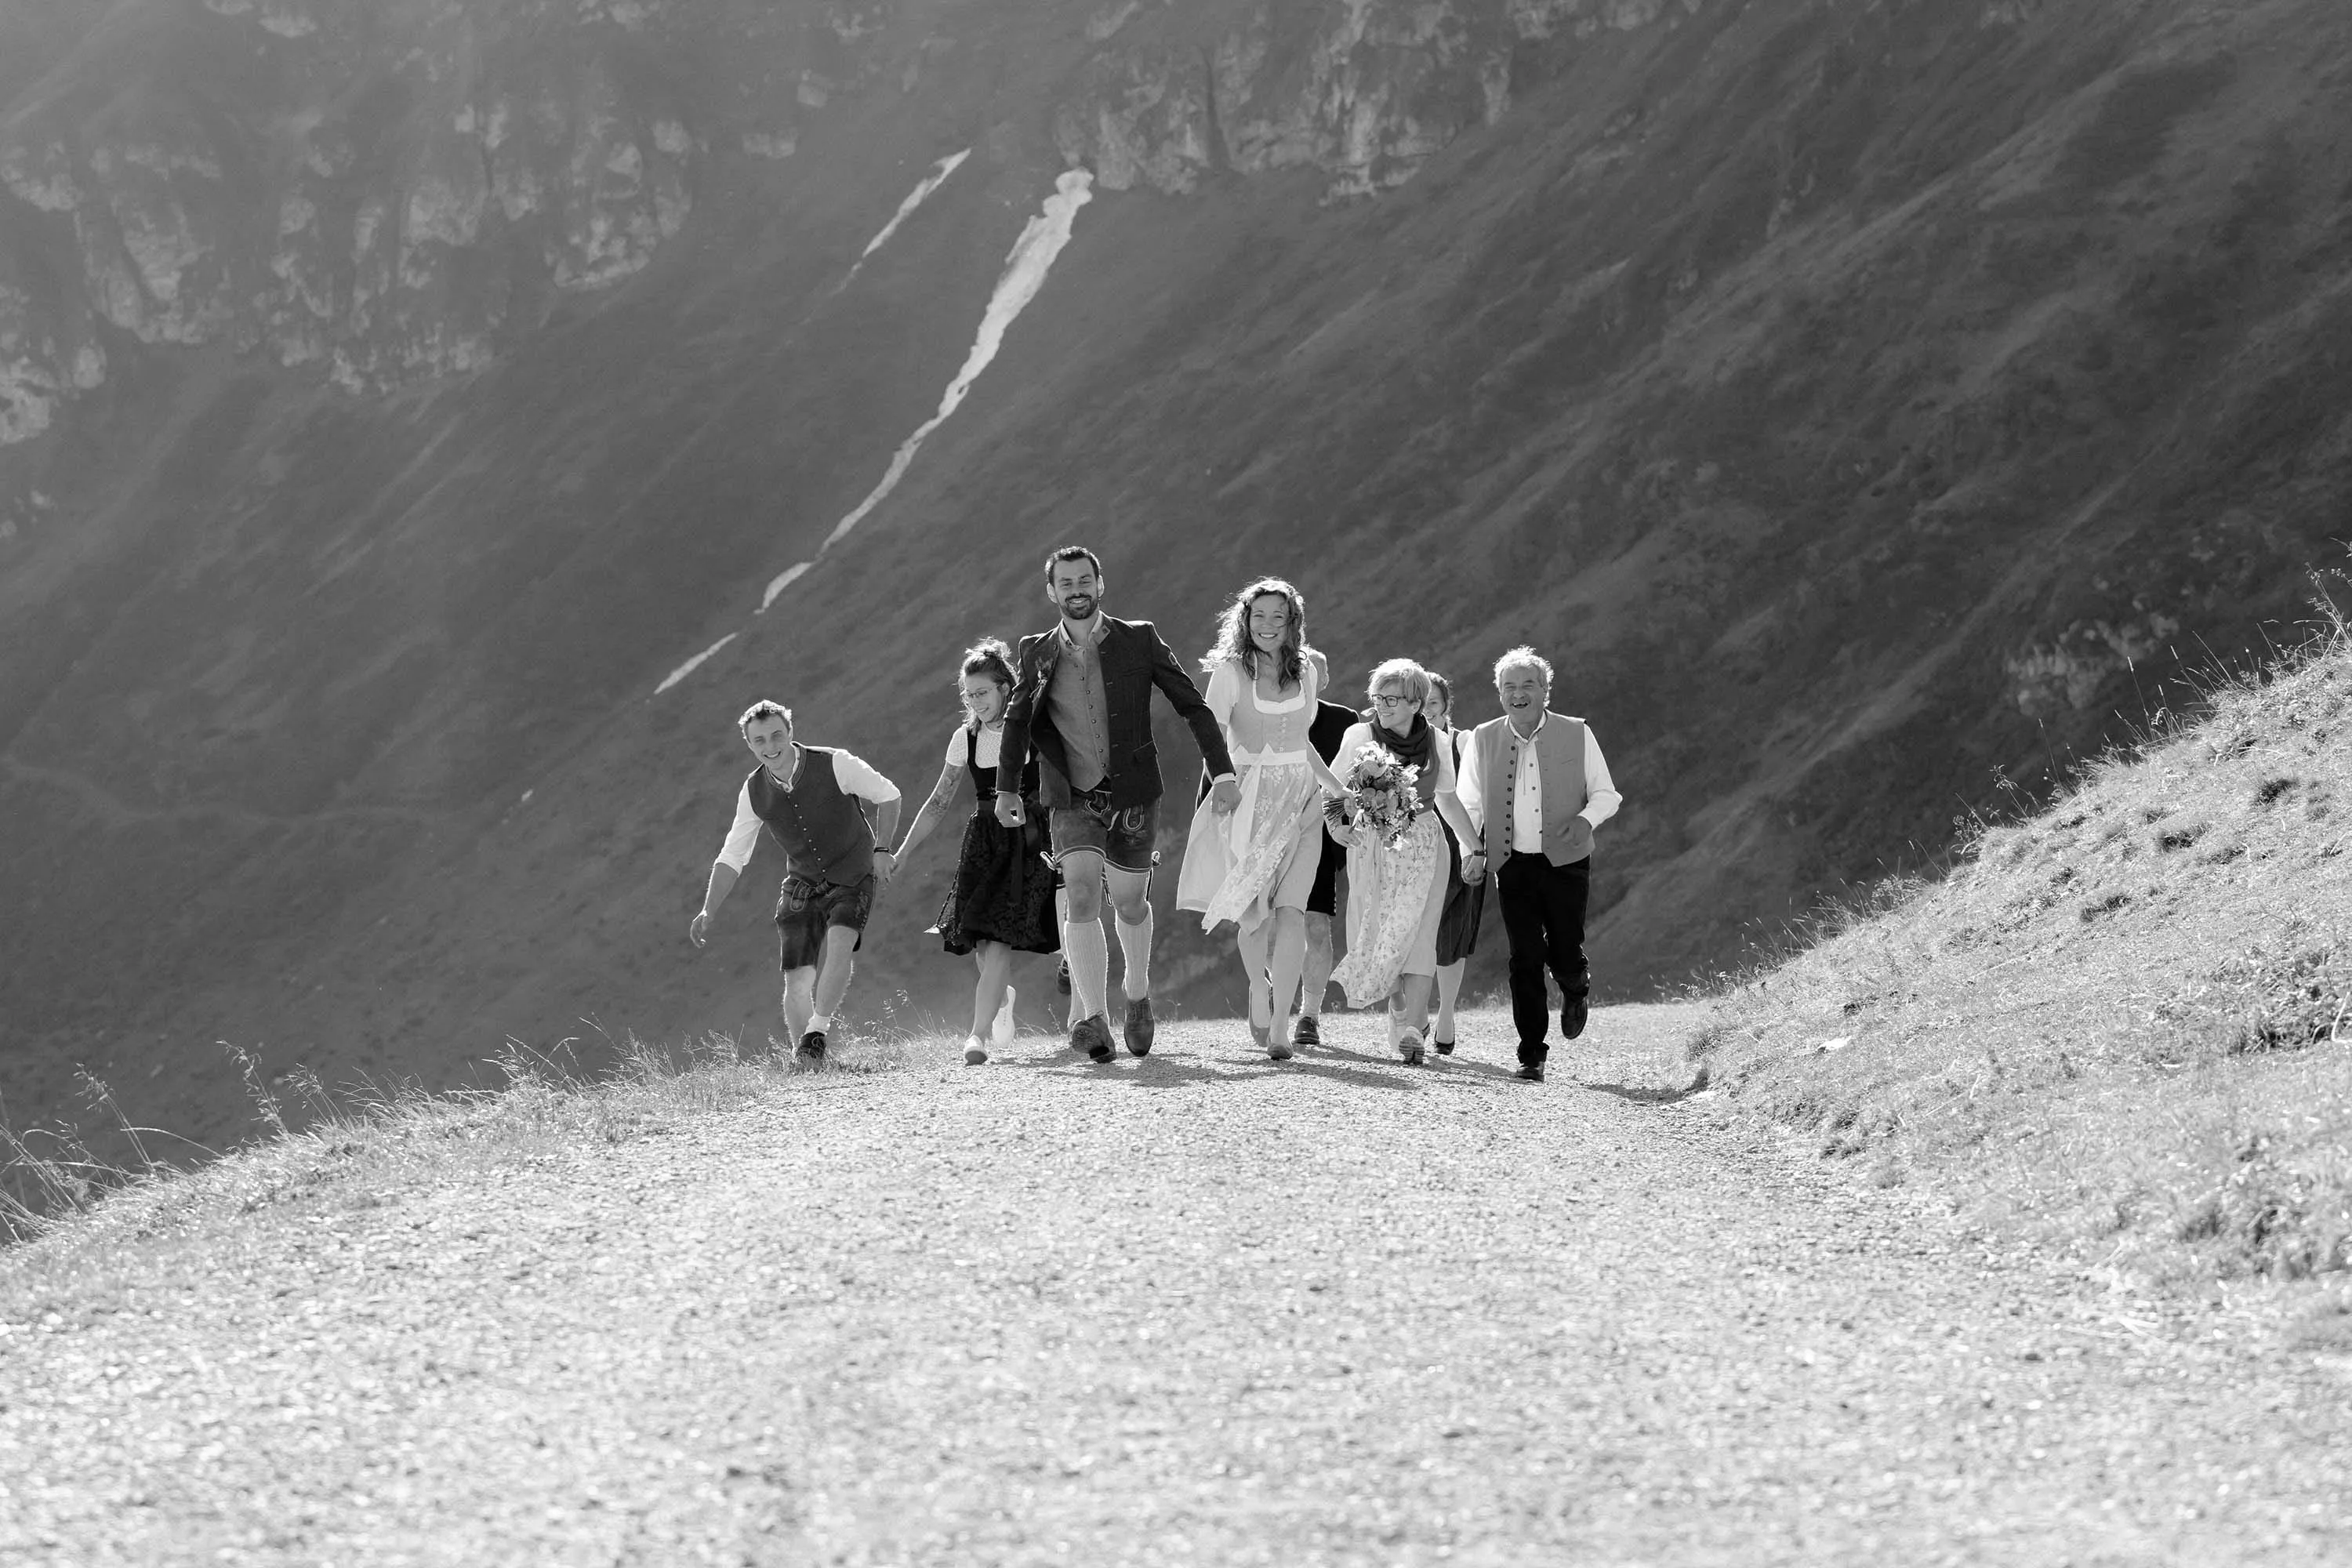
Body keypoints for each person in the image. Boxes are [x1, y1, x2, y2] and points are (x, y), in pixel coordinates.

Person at [996, 546, 1240, 1062]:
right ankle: (1094, 1018)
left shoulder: (1139, 639)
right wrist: (1007, 788)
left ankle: (1136, 993)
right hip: (1070, 795)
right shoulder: (1036, 652)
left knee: (1130, 904)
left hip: (1134, 793)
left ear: (1100, 584)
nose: (1077, 590)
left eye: (1085, 580)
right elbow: (1017, 720)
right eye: (1066, 583)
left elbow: (1192, 705)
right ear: (1052, 592)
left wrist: (1221, 771)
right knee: (1082, 896)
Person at [1174, 579, 1346, 1059]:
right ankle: (1258, 985)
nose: (1269, 626)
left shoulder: (1306, 670)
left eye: (1279, 617)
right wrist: (1223, 780)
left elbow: (1302, 744)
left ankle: (1281, 1029)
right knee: (1255, 914)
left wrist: (1338, 790)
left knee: (1293, 911)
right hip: (1249, 798)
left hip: (1302, 802)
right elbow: (1210, 734)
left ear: (1293, 624)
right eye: (1260, 616)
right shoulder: (1230, 672)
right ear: (1245, 621)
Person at [691, 699, 902, 1067]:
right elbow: (733, 855)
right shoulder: (753, 791)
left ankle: (816, 1032)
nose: (770, 747)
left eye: (777, 735)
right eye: (759, 741)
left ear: (790, 732)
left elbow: (889, 795)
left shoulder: (836, 763)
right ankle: (807, 1062)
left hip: (852, 873)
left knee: (840, 946)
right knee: (797, 980)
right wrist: (709, 909)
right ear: (749, 745)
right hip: (802, 883)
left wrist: (882, 849)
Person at [1455, 645, 1622, 1083]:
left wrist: (1585, 821)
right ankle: (1532, 1053)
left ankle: (1575, 984)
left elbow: (1607, 795)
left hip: (1568, 861)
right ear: (1499, 693)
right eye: (1509, 686)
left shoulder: (1577, 733)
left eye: (1528, 685)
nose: (1518, 694)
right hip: (1511, 864)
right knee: (1525, 956)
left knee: (1565, 949)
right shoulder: (1483, 738)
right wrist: (1472, 851)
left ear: (1546, 690)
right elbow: (1469, 803)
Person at [890, 640, 1059, 1065]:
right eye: (968, 695)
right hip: (984, 845)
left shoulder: (1034, 728)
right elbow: (938, 802)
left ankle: (976, 1036)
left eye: (982, 692)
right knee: (984, 947)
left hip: (1031, 839)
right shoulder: (964, 738)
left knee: (998, 943)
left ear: (1005, 687)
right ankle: (1000, 1000)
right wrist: (904, 852)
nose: (975, 702)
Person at [1324, 659, 1481, 1065]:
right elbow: (1332, 788)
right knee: (1379, 931)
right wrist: (1336, 826)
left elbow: (1447, 799)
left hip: (1426, 844)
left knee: (1421, 932)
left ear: (1416, 703)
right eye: (1377, 697)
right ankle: (1397, 1005)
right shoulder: (1360, 735)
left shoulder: (1438, 742)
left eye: (1391, 699)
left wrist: (1474, 848)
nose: (1381, 705)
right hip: (1373, 847)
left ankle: (1414, 1026)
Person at [1293, 675, 1359, 1049]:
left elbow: (1353, 779)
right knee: (1266, 927)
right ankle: (1276, 980)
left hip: (1320, 837)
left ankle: (1310, 1015)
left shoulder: (1344, 721)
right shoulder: (1266, 713)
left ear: (1325, 679)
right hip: (1267, 834)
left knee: (1316, 925)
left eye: (1313, 675)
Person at [1424, 672, 1484, 1056]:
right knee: (1414, 930)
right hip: (1414, 847)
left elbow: (1480, 795)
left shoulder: (1466, 742)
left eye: (1434, 702)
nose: (1427, 710)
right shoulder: (1399, 741)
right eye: (1421, 702)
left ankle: (1446, 1013)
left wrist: (1475, 848)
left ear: (1447, 706)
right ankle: (1414, 1013)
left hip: (1460, 843)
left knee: (1454, 935)